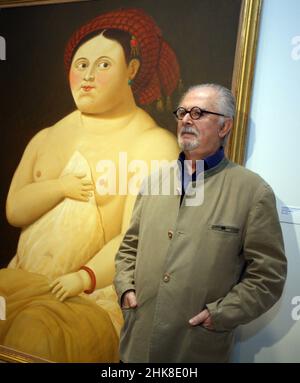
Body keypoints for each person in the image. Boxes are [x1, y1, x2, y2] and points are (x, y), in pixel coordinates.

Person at [0, 8, 180, 362]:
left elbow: (141, 239)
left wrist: (83, 277)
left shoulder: (155, 147)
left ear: (132, 70)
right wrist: (59, 187)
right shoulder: (46, 138)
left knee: (37, 334)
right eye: (81, 65)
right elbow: (15, 211)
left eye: (102, 65)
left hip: (93, 298)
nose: (87, 77)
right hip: (23, 281)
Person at [114, 83, 287, 363]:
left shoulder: (253, 192)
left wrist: (219, 315)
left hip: (195, 350)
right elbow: (128, 249)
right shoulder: (154, 181)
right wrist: (126, 290)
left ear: (224, 127)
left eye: (198, 113)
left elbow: (268, 277)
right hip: (136, 347)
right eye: (182, 112)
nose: (185, 120)